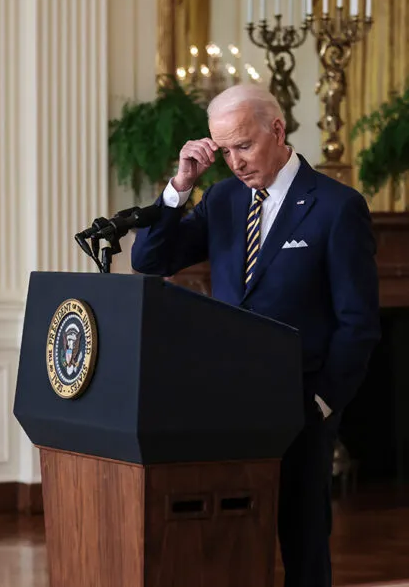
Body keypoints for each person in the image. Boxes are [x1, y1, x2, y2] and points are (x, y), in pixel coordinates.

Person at [131, 84, 380, 587]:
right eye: (223, 151)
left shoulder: (337, 207)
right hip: (226, 405)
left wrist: (323, 403)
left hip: (302, 407)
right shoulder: (222, 198)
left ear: (277, 130)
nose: (234, 162)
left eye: (243, 146)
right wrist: (179, 187)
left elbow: (359, 323)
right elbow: (149, 260)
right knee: (229, 536)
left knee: (303, 543)